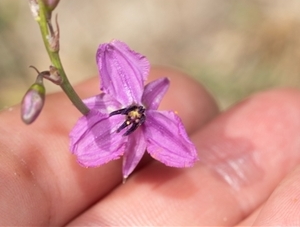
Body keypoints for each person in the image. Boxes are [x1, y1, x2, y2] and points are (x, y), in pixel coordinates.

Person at [0, 66, 300, 226]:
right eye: (133, 113)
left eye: (138, 111)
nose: (135, 114)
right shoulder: (112, 109)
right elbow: (110, 55)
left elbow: (183, 152)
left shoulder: (154, 122)